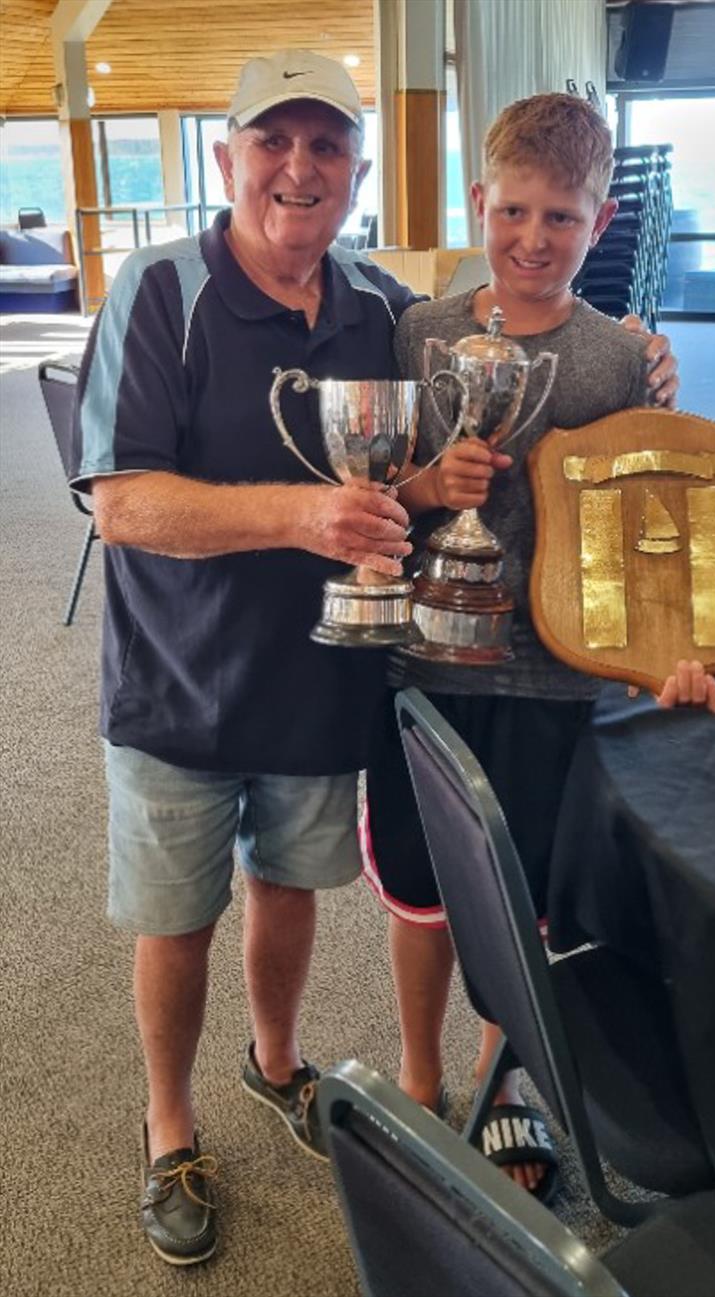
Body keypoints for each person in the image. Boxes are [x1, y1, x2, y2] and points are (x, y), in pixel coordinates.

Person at [68, 50, 419, 1266]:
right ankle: (170, 1127)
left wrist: (635, 360)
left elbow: (443, 437)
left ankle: (275, 1063)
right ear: (228, 160)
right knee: (175, 917)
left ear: (355, 172)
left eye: (326, 145)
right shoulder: (159, 291)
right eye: (273, 140)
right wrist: (300, 515)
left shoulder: (378, 308)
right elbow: (120, 504)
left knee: (287, 885)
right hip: (176, 680)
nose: (298, 167)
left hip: (320, 676)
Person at [361, 92, 715, 1201]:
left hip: (559, 682)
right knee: (421, 895)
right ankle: (420, 1083)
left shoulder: (621, 359)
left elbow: (650, 532)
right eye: (511, 210)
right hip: (426, 659)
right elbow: (378, 494)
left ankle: (499, 1083)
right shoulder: (418, 332)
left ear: (599, 222)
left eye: (558, 218)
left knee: (524, 906)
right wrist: (427, 488)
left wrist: (676, 646)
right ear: (479, 201)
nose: (529, 238)